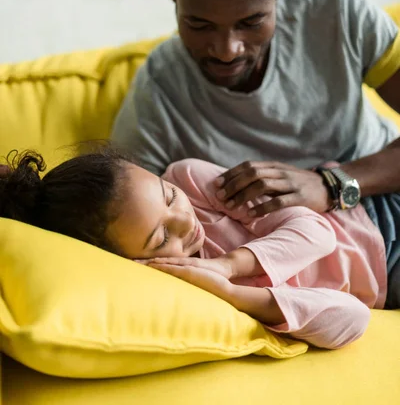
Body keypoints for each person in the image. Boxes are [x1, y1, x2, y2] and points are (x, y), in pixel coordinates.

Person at [111, 0, 400, 309]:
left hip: (384, 202)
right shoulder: (158, 96)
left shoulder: (336, 11)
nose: (227, 49)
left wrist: (332, 185)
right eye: (199, 24)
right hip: (318, 276)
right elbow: (120, 224)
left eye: (251, 21)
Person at [1, 146, 393, 350]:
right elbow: (353, 318)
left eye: (168, 198)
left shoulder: (190, 180)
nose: (186, 223)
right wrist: (235, 294)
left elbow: (317, 231)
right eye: (160, 238)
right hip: (388, 277)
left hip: (369, 213)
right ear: (135, 263)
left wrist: (229, 265)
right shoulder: (194, 296)